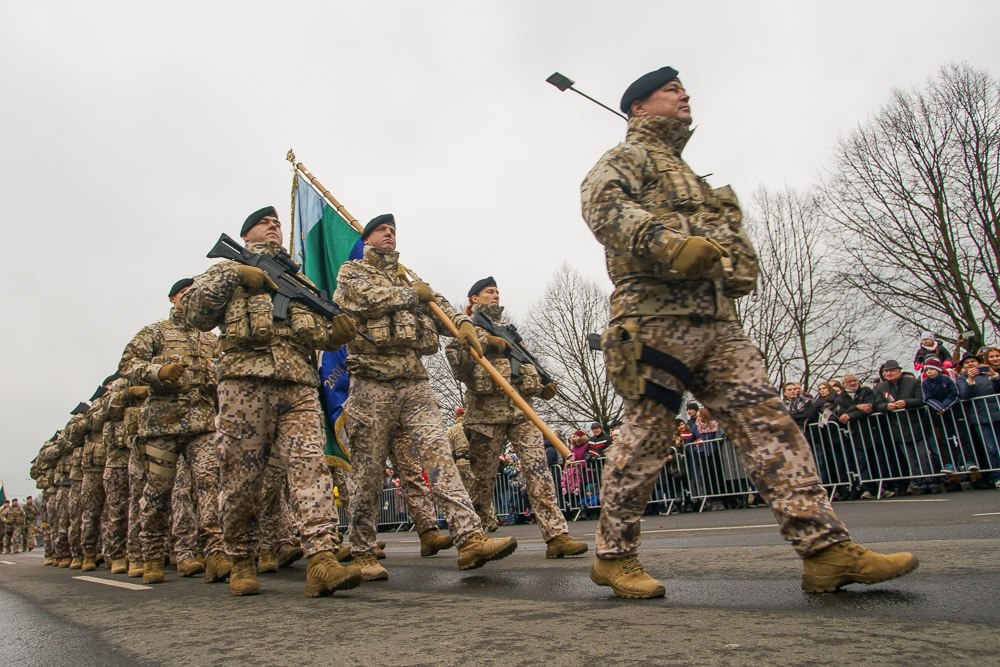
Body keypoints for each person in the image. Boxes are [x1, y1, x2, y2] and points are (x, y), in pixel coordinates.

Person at [580, 65, 917, 598]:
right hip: (652, 322)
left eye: (684, 87)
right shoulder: (628, 158)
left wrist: (732, 250)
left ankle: (825, 551)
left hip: (719, 325)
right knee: (648, 437)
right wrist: (668, 243)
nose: (684, 94)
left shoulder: (693, 177)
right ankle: (614, 556)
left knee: (770, 427)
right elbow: (602, 207)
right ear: (639, 108)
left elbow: (735, 266)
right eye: (671, 90)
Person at [182, 206, 362, 597]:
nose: (275, 227)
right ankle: (242, 558)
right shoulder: (223, 271)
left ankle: (322, 558)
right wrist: (234, 274)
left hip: (297, 384)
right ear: (246, 236)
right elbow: (194, 312)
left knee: (311, 468)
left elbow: (312, 330)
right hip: (243, 382)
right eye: (266, 223)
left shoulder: (298, 281)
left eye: (278, 223)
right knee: (242, 479)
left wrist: (335, 334)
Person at [332, 213, 517, 580]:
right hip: (372, 382)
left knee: (439, 456)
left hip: (414, 380)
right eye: (382, 230)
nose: (390, 235)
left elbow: (440, 307)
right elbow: (361, 300)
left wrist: (465, 324)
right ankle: (364, 551)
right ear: (367, 239)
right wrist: (408, 295)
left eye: (393, 231)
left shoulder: (408, 277)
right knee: (368, 472)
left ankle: (469, 538)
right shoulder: (353, 272)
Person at [446, 276, 587, 559]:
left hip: (521, 412)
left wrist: (542, 381)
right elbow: (459, 368)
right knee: (481, 482)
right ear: (473, 298)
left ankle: (557, 536)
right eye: (489, 292)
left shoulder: (509, 330)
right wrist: (483, 344)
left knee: (539, 473)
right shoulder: (466, 327)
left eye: (497, 291)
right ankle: (472, 537)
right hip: (486, 416)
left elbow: (527, 361)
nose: (495, 295)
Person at [120, 279, 228, 583]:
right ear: (172, 299)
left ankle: (215, 553)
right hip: (161, 425)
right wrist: (156, 372)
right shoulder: (155, 332)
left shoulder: (210, 339)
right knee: (157, 492)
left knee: (209, 484)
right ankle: (153, 556)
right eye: (185, 294)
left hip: (202, 425)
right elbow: (128, 363)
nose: (191, 297)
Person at [874, 359, 938, 494]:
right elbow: (877, 405)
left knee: (923, 456)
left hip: (917, 425)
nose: (888, 373)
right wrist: (886, 406)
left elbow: (922, 399)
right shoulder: (880, 388)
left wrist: (907, 403)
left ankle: (932, 482)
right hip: (898, 429)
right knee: (911, 458)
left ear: (899, 371)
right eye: (886, 371)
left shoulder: (913, 383)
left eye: (891, 371)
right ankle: (920, 483)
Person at [957, 353, 1000, 487]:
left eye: (973, 361)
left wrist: (994, 376)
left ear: (979, 363)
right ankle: (997, 476)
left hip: (997, 413)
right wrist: (970, 379)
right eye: (967, 362)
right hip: (979, 417)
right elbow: (964, 395)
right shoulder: (962, 379)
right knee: (991, 448)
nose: (971, 364)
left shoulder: (989, 375)